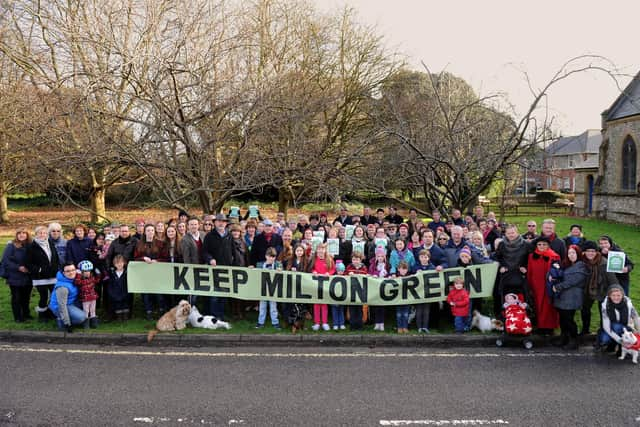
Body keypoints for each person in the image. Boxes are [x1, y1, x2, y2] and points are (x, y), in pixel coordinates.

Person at [550, 245, 589, 350]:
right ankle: (564, 337)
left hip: (572, 296)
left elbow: (572, 281)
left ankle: (574, 340)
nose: (571, 255)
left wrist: (558, 286)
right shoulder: (567, 265)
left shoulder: (581, 267)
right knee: (563, 318)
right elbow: (559, 275)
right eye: (569, 253)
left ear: (578, 254)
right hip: (562, 296)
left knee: (568, 319)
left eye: (573, 253)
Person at [581, 240, 619, 337]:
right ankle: (585, 330)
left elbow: (612, 280)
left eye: (593, 251)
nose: (590, 253)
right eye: (588, 251)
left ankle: (603, 331)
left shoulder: (604, 262)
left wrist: (614, 293)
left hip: (602, 290)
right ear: (584, 252)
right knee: (585, 310)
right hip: (588, 290)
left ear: (597, 252)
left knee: (603, 312)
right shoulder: (583, 262)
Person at [526, 237, 560, 334]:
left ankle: (549, 327)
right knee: (537, 306)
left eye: (544, 244)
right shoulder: (532, 256)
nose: (541, 246)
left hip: (548, 286)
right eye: (539, 244)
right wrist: (529, 285)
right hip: (536, 286)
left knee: (548, 307)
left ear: (548, 245)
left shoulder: (554, 256)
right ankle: (539, 326)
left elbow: (556, 272)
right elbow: (529, 271)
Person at [134, 224, 168, 320]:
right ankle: (149, 312)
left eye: (152, 230)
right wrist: (143, 258)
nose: (150, 232)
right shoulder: (139, 244)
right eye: (148, 230)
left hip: (157, 273)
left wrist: (157, 261)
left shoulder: (160, 244)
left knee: (159, 293)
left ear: (154, 232)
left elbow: (166, 258)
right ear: (145, 232)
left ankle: (161, 311)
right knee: (146, 293)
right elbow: (135, 259)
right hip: (144, 274)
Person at [27, 225, 60, 322]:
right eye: (40, 233)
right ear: (36, 234)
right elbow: (28, 263)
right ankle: (42, 315)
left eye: (44, 233)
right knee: (44, 296)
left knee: (54, 295)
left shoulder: (50, 243)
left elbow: (55, 257)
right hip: (40, 277)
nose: (42, 235)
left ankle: (50, 313)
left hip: (52, 275)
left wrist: (56, 268)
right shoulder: (32, 246)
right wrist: (39, 270)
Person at [203, 213, 233, 319]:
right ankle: (214, 316)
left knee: (224, 294)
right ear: (215, 223)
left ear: (226, 224)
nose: (221, 223)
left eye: (223, 221)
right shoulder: (209, 236)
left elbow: (233, 251)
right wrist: (210, 259)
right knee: (214, 295)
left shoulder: (229, 235)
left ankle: (221, 315)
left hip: (226, 269)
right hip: (214, 270)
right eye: (219, 221)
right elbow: (205, 252)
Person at [1, 228, 33, 322]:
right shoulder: (11, 246)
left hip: (28, 275)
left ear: (27, 235)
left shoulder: (30, 245)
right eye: (19, 233)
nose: (21, 235)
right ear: (16, 235)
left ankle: (26, 314)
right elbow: (5, 261)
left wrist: (30, 268)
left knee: (26, 296)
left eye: (24, 233)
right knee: (16, 297)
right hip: (14, 275)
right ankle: (18, 317)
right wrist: (18, 267)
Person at [598, 284, 640, 352]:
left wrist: (639, 331)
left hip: (626, 328)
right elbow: (606, 327)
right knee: (604, 339)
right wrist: (620, 341)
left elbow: (636, 317)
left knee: (617, 327)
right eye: (613, 295)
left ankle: (622, 348)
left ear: (622, 295)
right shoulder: (605, 306)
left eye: (618, 295)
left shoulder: (628, 303)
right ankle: (614, 344)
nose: (616, 298)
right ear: (609, 296)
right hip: (611, 328)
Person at [49, 262, 88, 332]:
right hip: (59, 306)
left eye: (73, 270)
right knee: (82, 317)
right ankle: (62, 321)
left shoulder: (73, 279)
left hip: (71, 302)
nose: (71, 273)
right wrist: (68, 324)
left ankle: (65, 318)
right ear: (63, 273)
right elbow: (62, 306)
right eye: (68, 271)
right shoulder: (62, 287)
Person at [307, 243, 336, 331]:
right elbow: (310, 268)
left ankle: (324, 322)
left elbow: (333, 269)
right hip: (316, 284)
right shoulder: (313, 259)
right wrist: (313, 271)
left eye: (322, 249)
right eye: (319, 249)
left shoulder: (329, 259)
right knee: (316, 304)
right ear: (317, 250)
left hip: (326, 284)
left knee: (324, 304)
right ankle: (316, 323)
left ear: (325, 250)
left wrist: (329, 273)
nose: (320, 251)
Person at [255, 247, 282, 330]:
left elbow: (283, 273)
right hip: (263, 289)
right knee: (262, 306)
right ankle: (260, 322)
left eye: (273, 257)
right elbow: (255, 275)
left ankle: (275, 322)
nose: (271, 258)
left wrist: (280, 270)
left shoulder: (278, 264)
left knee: (273, 306)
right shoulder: (259, 265)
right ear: (266, 256)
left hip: (273, 289)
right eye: (270, 256)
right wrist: (252, 269)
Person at [412, 249, 436, 333]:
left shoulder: (432, 267)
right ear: (419, 258)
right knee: (419, 310)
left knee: (426, 310)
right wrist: (416, 272)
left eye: (425, 257)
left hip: (427, 292)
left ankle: (425, 327)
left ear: (428, 258)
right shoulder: (416, 266)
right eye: (422, 257)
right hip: (418, 292)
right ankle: (419, 327)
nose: (423, 259)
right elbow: (411, 275)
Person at [344, 251, 368, 331]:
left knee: (360, 309)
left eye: (357, 259)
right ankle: (352, 325)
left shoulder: (364, 268)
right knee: (352, 309)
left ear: (360, 260)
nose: (355, 261)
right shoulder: (349, 267)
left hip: (360, 292)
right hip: (351, 292)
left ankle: (359, 325)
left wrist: (366, 276)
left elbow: (367, 278)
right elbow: (343, 277)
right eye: (354, 259)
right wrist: (348, 274)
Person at [74, 260, 101, 329]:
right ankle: (86, 324)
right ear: (82, 272)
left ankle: (94, 323)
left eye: (89, 271)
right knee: (86, 311)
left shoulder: (91, 277)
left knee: (93, 310)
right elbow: (77, 282)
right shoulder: (80, 280)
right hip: (85, 298)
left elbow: (97, 281)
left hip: (93, 297)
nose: (87, 273)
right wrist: (78, 274)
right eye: (85, 271)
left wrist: (98, 274)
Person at [369, 246, 390, 331]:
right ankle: (377, 323)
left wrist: (387, 275)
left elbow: (389, 273)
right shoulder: (372, 265)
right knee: (376, 306)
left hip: (383, 287)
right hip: (375, 287)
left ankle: (382, 323)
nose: (380, 258)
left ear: (384, 257)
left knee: (382, 306)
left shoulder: (387, 265)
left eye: (382, 256)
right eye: (378, 256)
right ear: (376, 256)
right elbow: (370, 273)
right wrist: (375, 274)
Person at [107, 255, 130, 321]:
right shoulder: (112, 273)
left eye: (120, 262)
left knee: (125, 304)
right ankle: (119, 317)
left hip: (125, 292)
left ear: (124, 263)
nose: (119, 264)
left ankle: (126, 316)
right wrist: (112, 293)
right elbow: (110, 285)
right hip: (116, 293)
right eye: (117, 263)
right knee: (117, 305)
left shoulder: (126, 272)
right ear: (114, 264)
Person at [395, 261, 411, 333]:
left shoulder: (410, 277)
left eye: (405, 269)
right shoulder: (395, 276)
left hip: (407, 298)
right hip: (398, 299)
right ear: (398, 269)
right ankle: (399, 327)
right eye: (402, 269)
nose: (403, 271)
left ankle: (405, 327)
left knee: (406, 313)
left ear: (407, 269)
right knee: (399, 314)